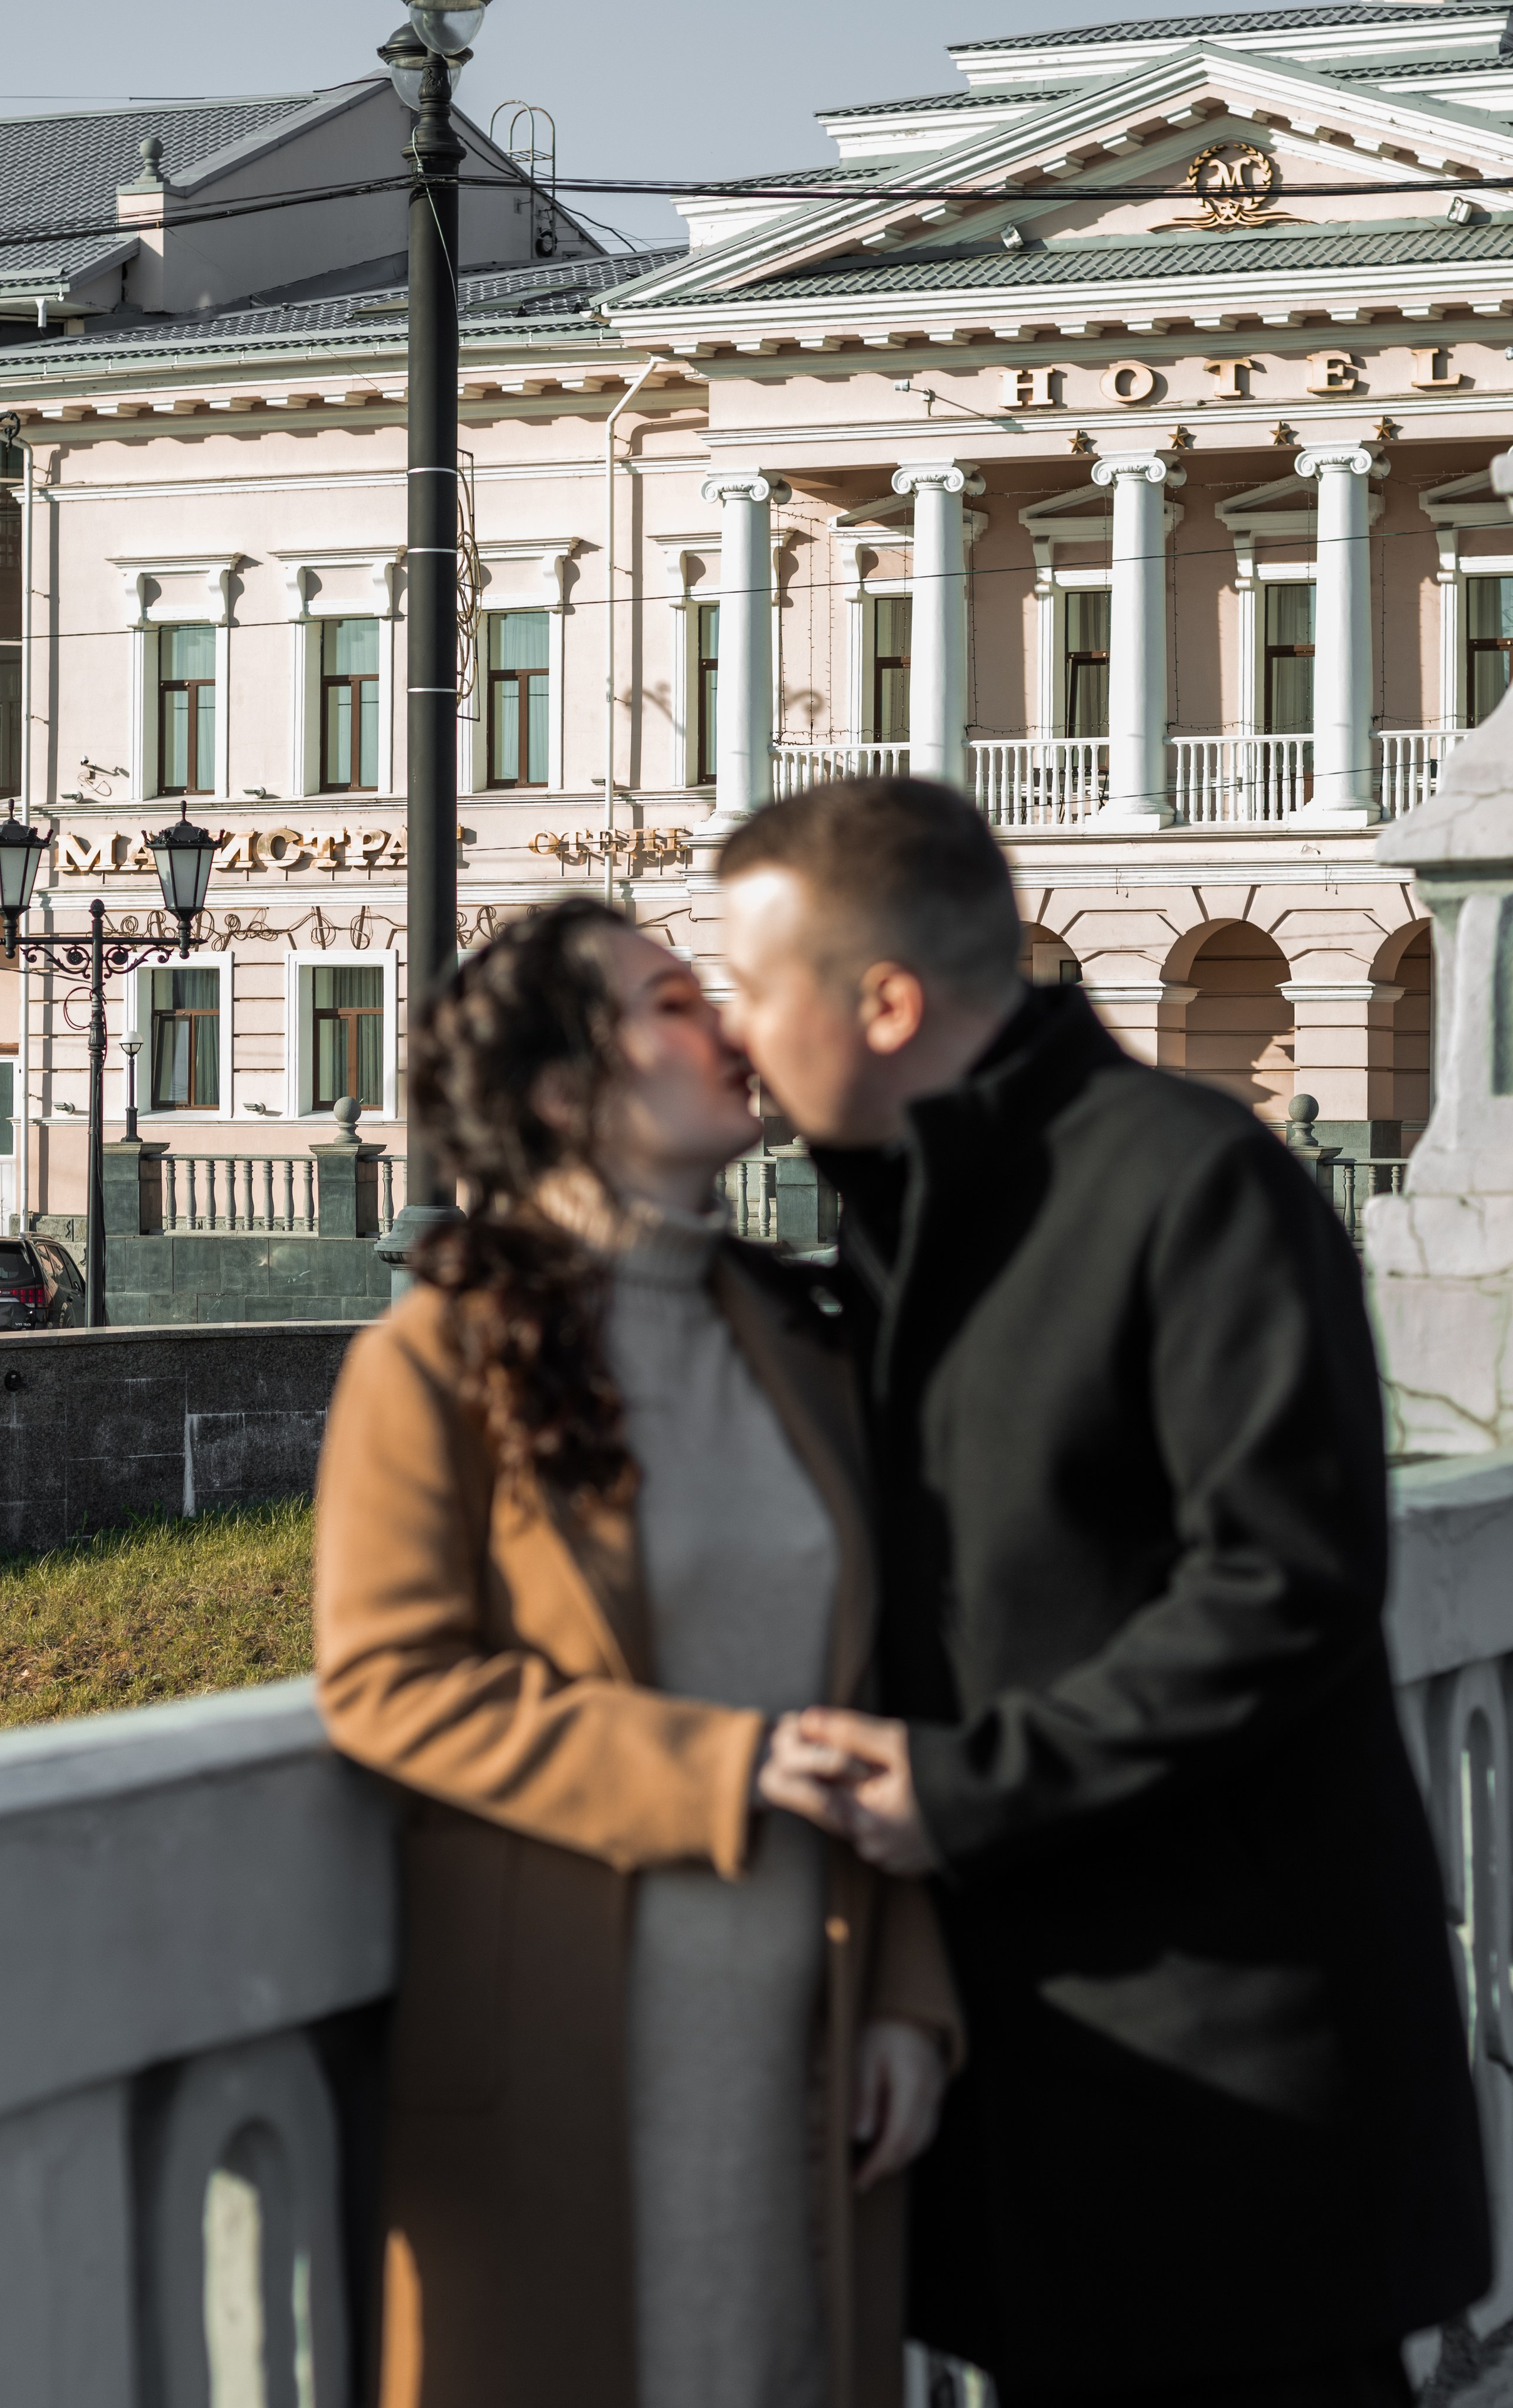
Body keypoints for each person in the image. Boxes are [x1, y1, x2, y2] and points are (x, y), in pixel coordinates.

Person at [720, 781, 1490, 2408]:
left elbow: (1289, 1585)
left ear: (885, 1000)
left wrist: (967, 1785)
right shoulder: (908, 1222)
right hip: (1048, 2075)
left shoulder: (1189, 1180)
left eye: (754, 984)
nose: (738, 1031)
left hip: (1230, 2068)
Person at [314, 897, 960, 2408]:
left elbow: (875, 1695)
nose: (731, 1025)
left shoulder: (797, 1345)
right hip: (568, 2060)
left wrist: (915, 2000)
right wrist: (719, 1764)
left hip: (812, 2047)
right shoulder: (432, 1356)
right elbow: (387, 1683)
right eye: (675, 1002)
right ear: (560, 1090)